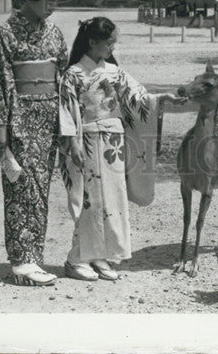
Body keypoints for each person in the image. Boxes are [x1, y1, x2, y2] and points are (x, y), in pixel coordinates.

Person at [57, 17, 185, 281]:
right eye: (109, 42)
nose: (113, 47)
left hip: (114, 140)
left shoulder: (115, 72)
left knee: (113, 200)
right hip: (89, 139)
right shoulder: (74, 74)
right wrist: (73, 142)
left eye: (114, 42)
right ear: (92, 42)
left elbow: (138, 97)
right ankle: (76, 258)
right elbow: (67, 111)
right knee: (90, 200)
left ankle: (100, 255)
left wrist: (162, 98)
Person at [0, 0, 78, 286]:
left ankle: (34, 257)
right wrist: (0, 126)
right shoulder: (6, 33)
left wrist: (67, 121)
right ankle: (21, 261)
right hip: (19, 117)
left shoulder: (54, 33)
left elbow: (63, 75)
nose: (52, 7)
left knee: (41, 189)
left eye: (55, 1)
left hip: (49, 117)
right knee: (20, 185)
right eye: (47, 0)